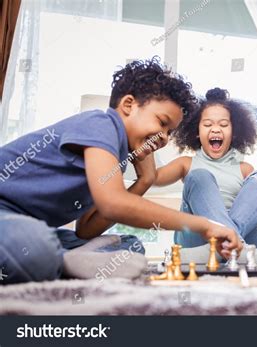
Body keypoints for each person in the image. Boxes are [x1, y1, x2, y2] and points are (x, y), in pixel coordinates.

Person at [0, 57, 241, 284]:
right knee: (34, 242)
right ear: (128, 105)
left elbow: (86, 230)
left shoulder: (116, 157)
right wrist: (203, 225)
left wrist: (145, 181)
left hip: (30, 225)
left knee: (129, 246)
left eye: (170, 132)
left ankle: (62, 260)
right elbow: (113, 203)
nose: (165, 138)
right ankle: (61, 260)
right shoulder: (99, 124)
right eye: (162, 122)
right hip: (8, 217)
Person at [155, 88, 257, 248]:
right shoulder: (185, 164)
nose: (215, 129)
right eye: (208, 124)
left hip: (230, 244)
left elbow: (254, 202)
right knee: (199, 176)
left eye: (223, 124)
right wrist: (142, 149)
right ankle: (234, 244)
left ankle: (231, 243)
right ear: (196, 131)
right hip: (199, 240)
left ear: (234, 133)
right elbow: (152, 178)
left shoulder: (245, 169)